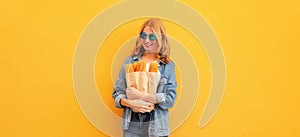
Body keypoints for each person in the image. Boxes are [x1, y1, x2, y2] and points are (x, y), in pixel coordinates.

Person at [112, 18, 177, 137]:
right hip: (132, 126)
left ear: (160, 38)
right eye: (143, 35)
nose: (146, 40)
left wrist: (141, 96)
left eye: (151, 37)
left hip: (157, 128)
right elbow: (117, 94)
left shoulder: (167, 65)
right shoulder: (130, 61)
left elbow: (170, 99)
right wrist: (132, 104)